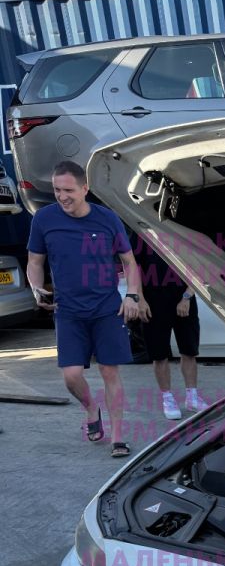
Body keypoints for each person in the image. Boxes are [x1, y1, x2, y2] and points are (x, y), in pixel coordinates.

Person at [26, 160, 143, 457]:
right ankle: (91, 408)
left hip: (106, 309)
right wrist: (36, 287)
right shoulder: (44, 219)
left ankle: (117, 438)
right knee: (71, 376)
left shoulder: (107, 219)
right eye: (57, 190)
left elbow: (129, 262)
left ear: (85, 189)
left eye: (68, 190)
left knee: (109, 371)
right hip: (68, 311)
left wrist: (132, 296)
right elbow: (35, 262)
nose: (62, 196)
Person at [131, 235, 208, 420]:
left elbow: (200, 267)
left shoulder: (181, 231)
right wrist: (140, 299)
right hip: (153, 301)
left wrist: (187, 296)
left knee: (189, 351)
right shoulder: (142, 233)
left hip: (184, 299)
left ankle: (192, 398)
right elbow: (132, 267)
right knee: (159, 355)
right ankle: (167, 399)